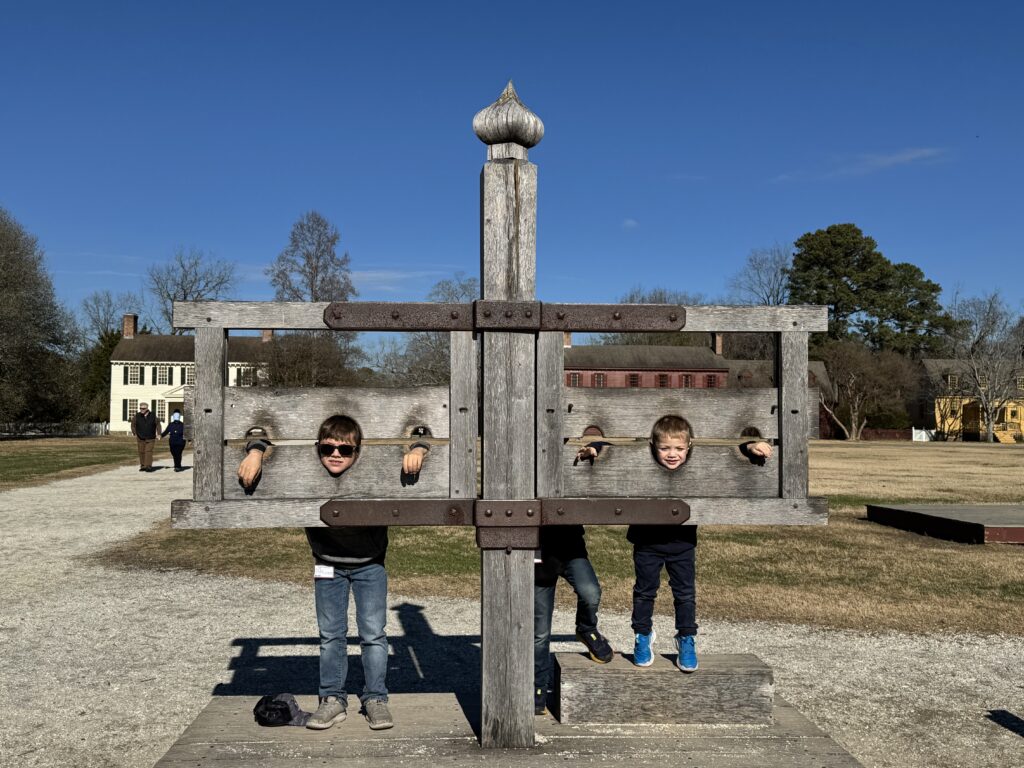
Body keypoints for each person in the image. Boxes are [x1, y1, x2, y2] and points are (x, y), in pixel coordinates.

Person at [237, 415, 429, 732]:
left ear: (358, 452)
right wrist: (256, 451)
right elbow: (263, 434)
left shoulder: (373, 474)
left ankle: (376, 699)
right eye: (328, 447)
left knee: (373, 634)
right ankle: (333, 699)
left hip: (370, 563)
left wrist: (419, 449)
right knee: (330, 636)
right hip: (326, 563)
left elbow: (423, 435)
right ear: (317, 448)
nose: (336, 454)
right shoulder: (304, 472)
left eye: (345, 449)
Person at [629, 415, 772, 673]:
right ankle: (642, 635)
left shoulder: (697, 464)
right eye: (664, 448)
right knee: (644, 592)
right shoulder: (641, 463)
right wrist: (596, 447)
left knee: (685, 594)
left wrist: (750, 445)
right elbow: (613, 448)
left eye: (679, 448)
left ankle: (686, 638)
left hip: (682, 542)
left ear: (690, 446)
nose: (672, 454)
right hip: (646, 541)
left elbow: (733, 451)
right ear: (652, 446)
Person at [533, 428, 614, 716]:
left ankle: (586, 628)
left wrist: (593, 447)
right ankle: (536, 686)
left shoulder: (571, 445)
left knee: (591, 592)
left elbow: (598, 431)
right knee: (540, 632)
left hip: (569, 546)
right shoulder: (528, 449)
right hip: (537, 550)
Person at [129, 402, 161, 472]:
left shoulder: (153, 415)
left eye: (143, 408)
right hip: (140, 437)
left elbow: (158, 424)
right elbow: (132, 424)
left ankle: (148, 466)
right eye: (140, 408)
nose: (141, 410)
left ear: (147, 408)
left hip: (151, 437)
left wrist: (159, 434)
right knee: (141, 451)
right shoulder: (137, 416)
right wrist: (134, 432)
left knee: (148, 451)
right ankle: (143, 465)